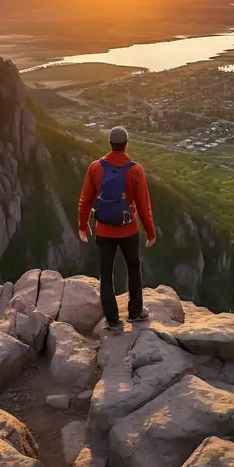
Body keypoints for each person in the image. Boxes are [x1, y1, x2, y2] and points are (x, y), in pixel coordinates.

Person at [78, 126, 156, 329]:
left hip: (103, 229)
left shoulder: (95, 168)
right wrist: (150, 232)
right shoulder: (135, 170)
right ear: (127, 143)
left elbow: (85, 199)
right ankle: (135, 312)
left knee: (106, 273)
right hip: (128, 230)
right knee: (133, 268)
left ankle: (112, 320)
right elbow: (143, 205)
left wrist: (83, 225)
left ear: (110, 144)